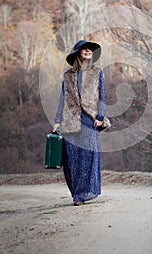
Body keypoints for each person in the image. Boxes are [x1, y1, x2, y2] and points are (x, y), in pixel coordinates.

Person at [53, 40, 110, 206]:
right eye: (84, 48)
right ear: (77, 53)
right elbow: (62, 99)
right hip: (69, 121)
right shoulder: (68, 75)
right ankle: (77, 195)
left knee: (89, 156)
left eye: (90, 49)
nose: (88, 51)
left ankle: (85, 193)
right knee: (71, 159)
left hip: (89, 119)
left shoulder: (97, 72)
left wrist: (100, 117)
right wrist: (57, 121)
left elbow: (102, 97)